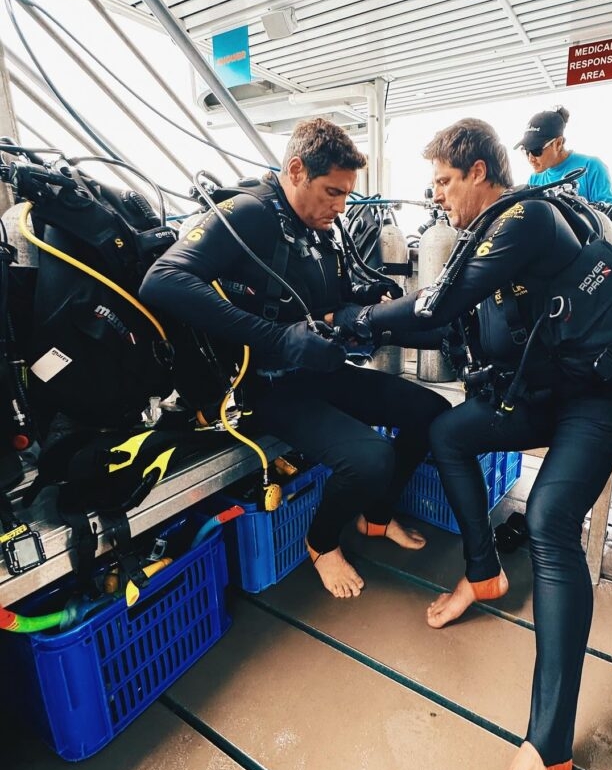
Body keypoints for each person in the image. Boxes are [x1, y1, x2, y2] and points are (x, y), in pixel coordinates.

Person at [332, 119, 612, 770]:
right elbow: (459, 334)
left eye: (442, 182)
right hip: (542, 393)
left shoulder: (525, 218)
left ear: (477, 170)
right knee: (448, 433)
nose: (436, 197)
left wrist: (346, 322)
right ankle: (482, 570)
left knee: (547, 517)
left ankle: (547, 754)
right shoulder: (483, 245)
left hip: (601, 398)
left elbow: (433, 309)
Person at [140, 117, 450, 599]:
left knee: (430, 412)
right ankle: (322, 543)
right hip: (262, 385)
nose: (340, 205)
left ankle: (376, 517)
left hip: (316, 370)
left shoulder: (319, 230)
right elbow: (162, 280)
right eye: (332, 192)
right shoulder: (247, 215)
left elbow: (331, 307)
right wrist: (278, 338)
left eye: (346, 194)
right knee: (370, 458)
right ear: (296, 169)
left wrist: (370, 302)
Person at [515, 106, 612, 205]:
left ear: (558, 143)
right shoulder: (534, 179)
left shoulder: (591, 166)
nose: (530, 158)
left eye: (536, 151)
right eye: (527, 151)